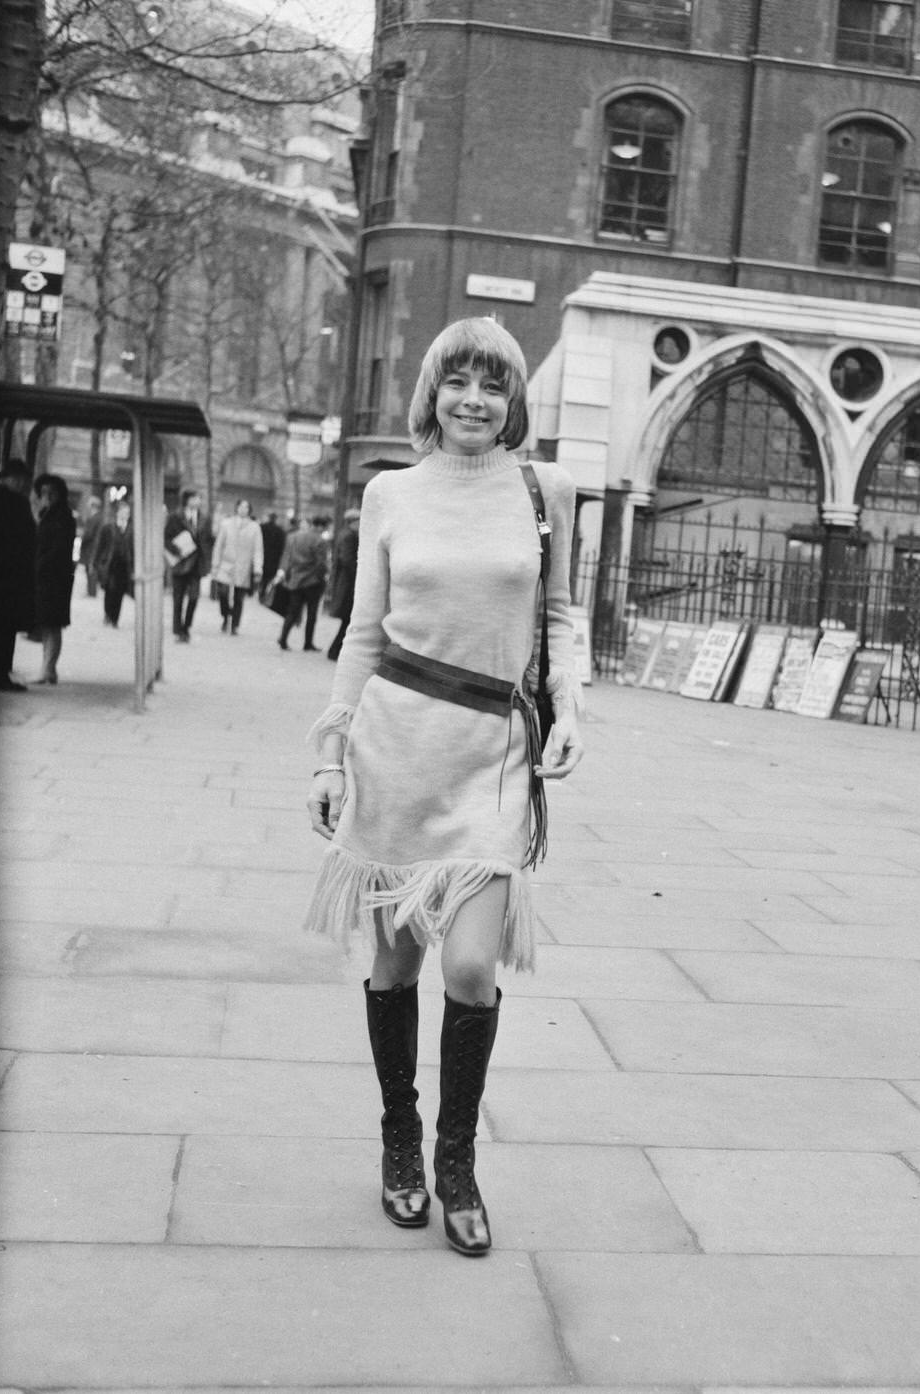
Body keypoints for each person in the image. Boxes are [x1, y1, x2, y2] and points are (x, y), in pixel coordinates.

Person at [302, 317, 582, 1254]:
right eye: (457, 381)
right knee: (396, 965)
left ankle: (455, 1159)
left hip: (496, 753)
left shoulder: (548, 492)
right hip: (397, 747)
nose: (474, 399)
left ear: (513, 401)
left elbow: (560, 612)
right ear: (433, 392)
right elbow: (364, 634)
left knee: (470, 965)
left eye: (492, 385)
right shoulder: (389, 493)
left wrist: (571, 709)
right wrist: (330, 752)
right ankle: (399, 1142)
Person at [0, 458, 37, 692]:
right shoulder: (13, 504)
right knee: (2, 630)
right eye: (20, 479)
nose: (24, 484)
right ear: (9, 478)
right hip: (6, 580)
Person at [31, 473, 78, 685]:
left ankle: (48, 668)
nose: (47, 496)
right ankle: (48, 668)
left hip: (54, 577)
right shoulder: (49, 514)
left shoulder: (62, 517)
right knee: (48, 624)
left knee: (52, 624)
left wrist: (39, 566)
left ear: (60, 494)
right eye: (44, 493)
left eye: (52, 492)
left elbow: (56, 548)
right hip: (50, 576)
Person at [272, 515, 328, 651]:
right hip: (312, 581)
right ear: (321, 527)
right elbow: (321, 564)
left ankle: (283, 638)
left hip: (296, 579)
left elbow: (289, 557)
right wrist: (321, 578)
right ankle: (308, 643)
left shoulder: (296, 537)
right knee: (311, 614)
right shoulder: (320, 540)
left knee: (292, 611)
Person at [164, 488, 214, 642]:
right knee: (178, 599)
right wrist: (177, 549)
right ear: (187, 500)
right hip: (180, 563)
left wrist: (208, 560)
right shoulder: (175, 517)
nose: (198, 501)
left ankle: (187, 627)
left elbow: (208, 540)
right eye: (195, 498)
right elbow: (166, 537)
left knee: (194, 598)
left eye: (199, 498)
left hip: (196, 565)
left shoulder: (205, 519)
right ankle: (178, 630)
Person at [210, 498, 264, 635]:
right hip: (226, 564)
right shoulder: (226, 524)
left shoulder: (254, 527)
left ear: (249, 510)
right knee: (223, 593)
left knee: (239, 598)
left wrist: (258, 568)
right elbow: (219, 546)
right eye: (241, 506)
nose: (243, 509)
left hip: (243, 567)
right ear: (236, 508)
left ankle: (234, 624)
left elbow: (258, 549)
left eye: (246, 507)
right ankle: (225, 615)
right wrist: (215, 565)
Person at [324, 506, 361, 661]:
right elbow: (347, 560)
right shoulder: (350, 536)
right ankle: (334, 651)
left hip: (344, 583)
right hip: (347, 585)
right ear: (353, 521)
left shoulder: (344, 534)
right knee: (347, 620)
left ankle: (336, 650)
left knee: (348, 621)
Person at [93, 500, 135, 627]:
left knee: (120, 592)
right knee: (110, 590)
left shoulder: (132, 529)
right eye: (122, 512)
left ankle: (115, 618)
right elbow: (100, 546)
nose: (125, 515)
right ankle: (108, 614)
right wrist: (95, 562)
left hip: (124, 565)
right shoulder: (108, 528)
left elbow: (134, 549)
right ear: (117, 513)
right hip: (110, 564)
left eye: (127, 513)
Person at [79, 498, 104, 597]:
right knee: (90, 568)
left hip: (91, 547)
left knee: (91, 568)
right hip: (93, 546)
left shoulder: (94, 518)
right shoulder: (98, 517)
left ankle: (91, 592)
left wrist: (82, 536)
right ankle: (91, 591)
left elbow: (89, 534)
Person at [259, 511, 286, 602]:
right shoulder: (280, 531)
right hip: (274, 558)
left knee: (263, 575)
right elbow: (282, 546)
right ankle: (264, 592)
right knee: (269, 576)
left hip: (263, 555)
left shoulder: (262, 528)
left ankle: (261, 591)